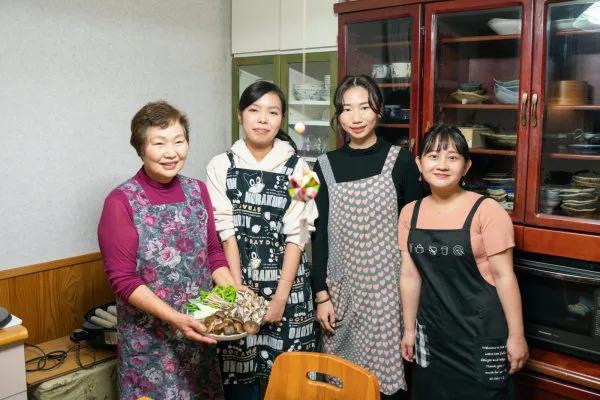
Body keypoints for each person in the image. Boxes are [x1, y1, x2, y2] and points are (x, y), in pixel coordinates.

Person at [98, 101, 244, 400]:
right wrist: (176, 319)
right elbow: (123, 280)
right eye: (159, 143)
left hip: (199, 333)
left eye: (179, 141)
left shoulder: (197, 190)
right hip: (150, 343)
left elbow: (212, 253)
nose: (171, 152)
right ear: (140, 148)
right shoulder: (120, 201)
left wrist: (234, 294)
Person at [311, 75, 423, 400]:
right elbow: (317, 235)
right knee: (339, 385)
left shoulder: (401, 160)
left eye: (364, 107)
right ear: (338, 115)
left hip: (388, 296)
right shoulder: (322, 166)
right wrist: (321, 296)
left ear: (379, 110)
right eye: (347, 109)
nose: (356, 117)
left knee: (385, 386)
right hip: (340, 293)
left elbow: (414, 233)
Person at [399, 124, 529, 400]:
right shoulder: (410, 213)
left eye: (452, 157)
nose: (442, 165)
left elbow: (505, 277)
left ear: (466, 166)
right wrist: (409, 330)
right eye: (433, 156)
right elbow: (410, 276)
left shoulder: (487, 211)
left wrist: (517, 337)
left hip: (481, 334)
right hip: (432, 334)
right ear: (420, 163)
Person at [206, 80, 317, 400]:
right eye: (254, 110)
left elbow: (299, 235)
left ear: (282, 119)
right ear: (240, 114)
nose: (263, 119)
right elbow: (225, 231)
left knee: (290, 382)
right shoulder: (219, 165)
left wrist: (281, 297)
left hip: (288, 285)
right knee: (239, 379)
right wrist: (238, 292)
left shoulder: (304, 170)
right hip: (237, 281)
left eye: (273, 112)